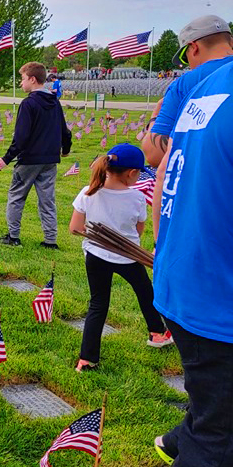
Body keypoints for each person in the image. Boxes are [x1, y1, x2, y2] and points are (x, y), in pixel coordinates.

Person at [151, 61, 233, 467]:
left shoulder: (206, 85)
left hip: (186, 280)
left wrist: (167, 254)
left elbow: (160, 172)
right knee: (219, 445)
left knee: (212, 419)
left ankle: (183, 435)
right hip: (218, 303)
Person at [68, 144, 172, 372]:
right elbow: (139, 230)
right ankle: (157, 333)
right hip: (128, 256)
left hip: (96, 257)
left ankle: (87, 360)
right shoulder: (136, 198)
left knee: (98, 304)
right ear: (132, 173)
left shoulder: (88, 192)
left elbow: (74, 228)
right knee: (146, 293)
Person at [142, 16, 233, 239]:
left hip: (202, 210)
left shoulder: (187, 83)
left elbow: (155, 155)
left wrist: (154, 120)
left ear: (193, 48)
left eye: (185, 58)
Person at [0, 62, 72, 248]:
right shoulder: (55, 102)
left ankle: (13, 236)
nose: (21, 84)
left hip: (29, 160)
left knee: (16, 196)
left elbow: (21, 137)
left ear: (33, 80)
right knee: (47, 200)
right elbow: (64, 131)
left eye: (22, 79)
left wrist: (6, 159)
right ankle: (50, 240)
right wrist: (65, 149)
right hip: (50, 160)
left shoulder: (28, 103)